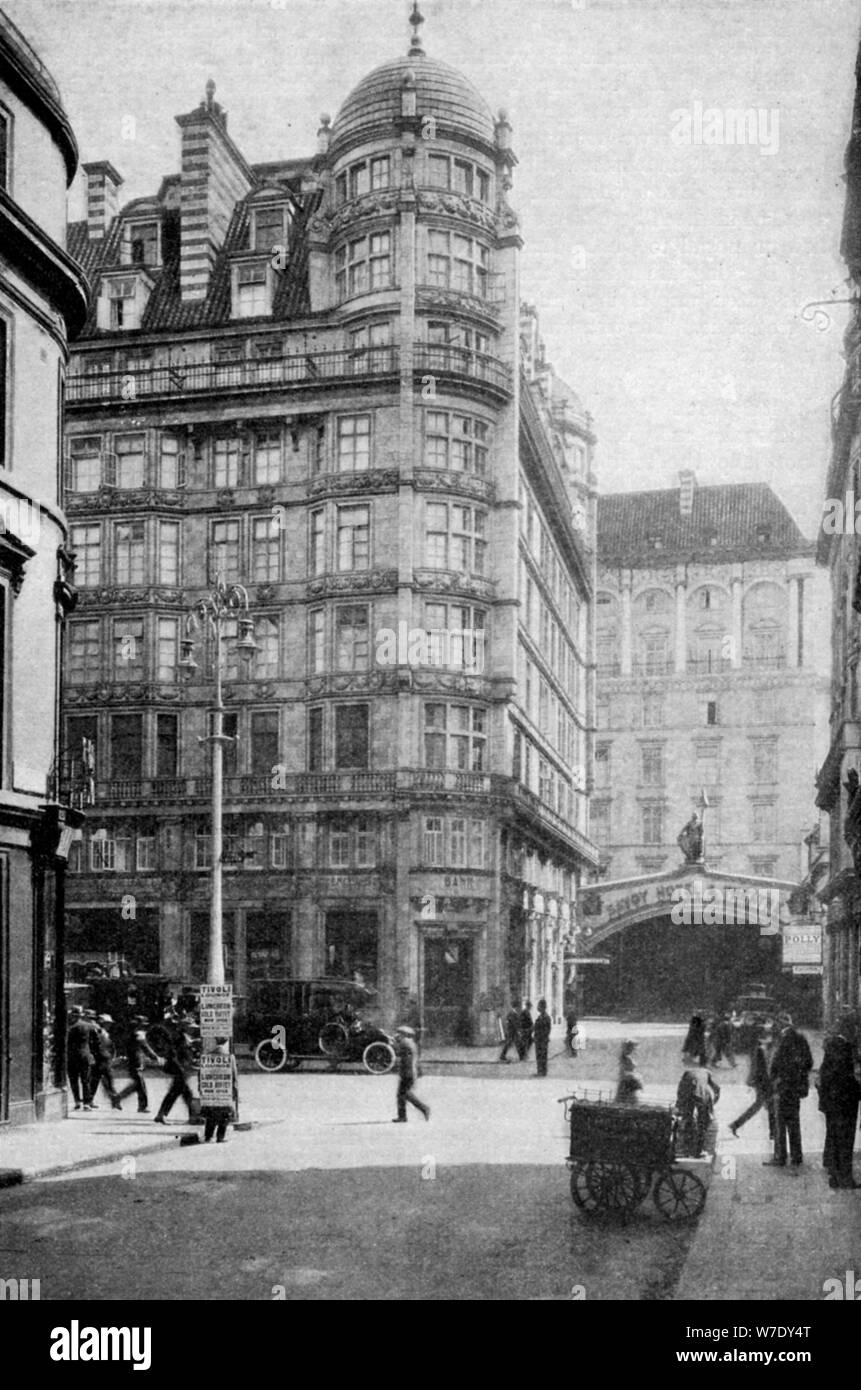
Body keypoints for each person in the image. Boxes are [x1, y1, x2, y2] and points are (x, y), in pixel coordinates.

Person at [764, 1014, 813, 1168]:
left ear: (780, 1024)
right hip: (796, 1088)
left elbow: (774, 1063)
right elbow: (809, 1062)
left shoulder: (782, 1039)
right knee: (794, 1122)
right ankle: (797, 1156)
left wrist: (773, 1079)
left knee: (779, 1123)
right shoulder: (801, 1038)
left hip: (782, 1086)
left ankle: (780, 1157)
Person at [817, 1033, 861, 1189]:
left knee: (835, 1140)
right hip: (846, 1105)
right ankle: (846, 1179)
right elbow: (848, 1080)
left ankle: (835, 1177)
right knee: (845, 1143)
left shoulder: (832, 1047)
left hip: (833, 1104)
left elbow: (825, 1077)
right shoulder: (844, 1048)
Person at [728, 1026, 774, 1139]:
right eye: (767, 1035)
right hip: (763, 1082)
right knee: (768, 1106)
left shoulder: (759, 1048)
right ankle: (773, 1133)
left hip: (760, 1081)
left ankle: (735, 1125)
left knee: (762, 1106)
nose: (770, 1038)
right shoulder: (761, 1049)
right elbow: (762, 1068)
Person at [676, 1053, 721, 1156]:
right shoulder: (707, 1073)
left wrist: (679, 1104)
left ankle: (687, 1146)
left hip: (689, 1092)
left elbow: (681, 1089)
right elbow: (717, 1089)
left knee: (688, 1118)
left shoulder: (688, 1072)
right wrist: (713, 1103)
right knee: (703, 1121)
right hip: (701, 1094)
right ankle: (699, 1148)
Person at [116, 1016, 160, 1113]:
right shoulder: (138, 1035)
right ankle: (142, 1106)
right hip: (136, 1062)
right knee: (141, 1086)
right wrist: (155, 1057)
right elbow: (146, 1047)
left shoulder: (130, 1034)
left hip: (134, 1062)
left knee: (137, 1086)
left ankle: (118, 1098)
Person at [154, 1025, 197, 1124]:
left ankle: (161, 1114)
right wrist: (180, 1068)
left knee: (178, 1093)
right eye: (191, 1027)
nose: (193, 1029)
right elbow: (173, 1053)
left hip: (182, 1068)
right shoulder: (180, 1038)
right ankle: (193, 1116)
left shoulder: (186, 1037)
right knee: (184, 1094)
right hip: (179, 1069)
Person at [202, 1038, 239, 1144]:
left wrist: (201, 1088)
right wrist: (235, 1091)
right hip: (224, 1089)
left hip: (211, 1089)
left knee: (211, 1112)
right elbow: (234, 1076)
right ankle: (220, 1137)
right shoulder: (230, 1057)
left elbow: (201, 1073)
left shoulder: (207, 1056)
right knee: (225, 1113)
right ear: (226, 1043)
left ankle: (208, 1136)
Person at [392, 1025, 429, 1122]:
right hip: (410, 1072)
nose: (397, 1035)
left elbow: (404, 1059)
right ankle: (402, 1116)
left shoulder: (405, 1043)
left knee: (405, 1094)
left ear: (404, 1035)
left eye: (399, 1033)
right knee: (401, 1094)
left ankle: (424, 1108)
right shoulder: (411, 1043)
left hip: (407, 1073)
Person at [89, 1014, 122, 1110]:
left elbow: (110, 1046)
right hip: (100, 1059)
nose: (109, 1025)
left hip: (103, 1059)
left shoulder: (103, 1033)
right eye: (108, 1023)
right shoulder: (98, 1032)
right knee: (100, 1081)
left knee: (102, 1081)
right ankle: (114, 1101)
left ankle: (114, 1101)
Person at [66, 1008, 96, 1111]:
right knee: (86, 1080)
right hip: (85, 1056)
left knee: (73, 1080)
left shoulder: (70, 1028)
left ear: (73, 1015)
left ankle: (77, 1101)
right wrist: (92, 1053)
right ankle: (87, 1103)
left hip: (72, 1057)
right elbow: (96, 1041)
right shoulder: (89, 1026)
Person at [615, 1039, 643, 1104]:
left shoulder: (627, 1057)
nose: (633, 1050)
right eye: (632, 1048)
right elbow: (623, 1071)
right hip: (626, 1082)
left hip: (628, 1082)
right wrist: (633, 1076)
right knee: (625, 1101)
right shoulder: (624, 1058)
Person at [533, 998, 552, 1076]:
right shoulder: (541, 1016)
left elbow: (547, 1029)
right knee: (539, 1055)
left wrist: (542, 1037)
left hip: (542, 1040)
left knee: (542, 1056)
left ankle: (542, 1071)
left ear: (542, 1007)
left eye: (539, 1006)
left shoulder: (546, 1017)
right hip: (539, 1039)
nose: (538, 1007)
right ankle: (540, 1071)